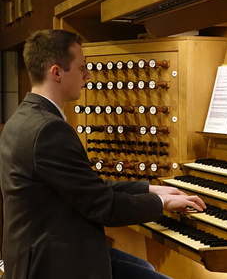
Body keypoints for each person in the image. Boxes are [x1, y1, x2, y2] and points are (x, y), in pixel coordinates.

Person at [0, 29, 206, 279]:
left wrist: (148, 189)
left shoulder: (22, 118)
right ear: (56, 72)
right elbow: (103, 206)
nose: (87, 75)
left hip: (41, 249)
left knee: (146, 269)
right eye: (81, 67)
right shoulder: (48, 129)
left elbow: (86, 187)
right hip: (53, 263)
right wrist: (162, 203)